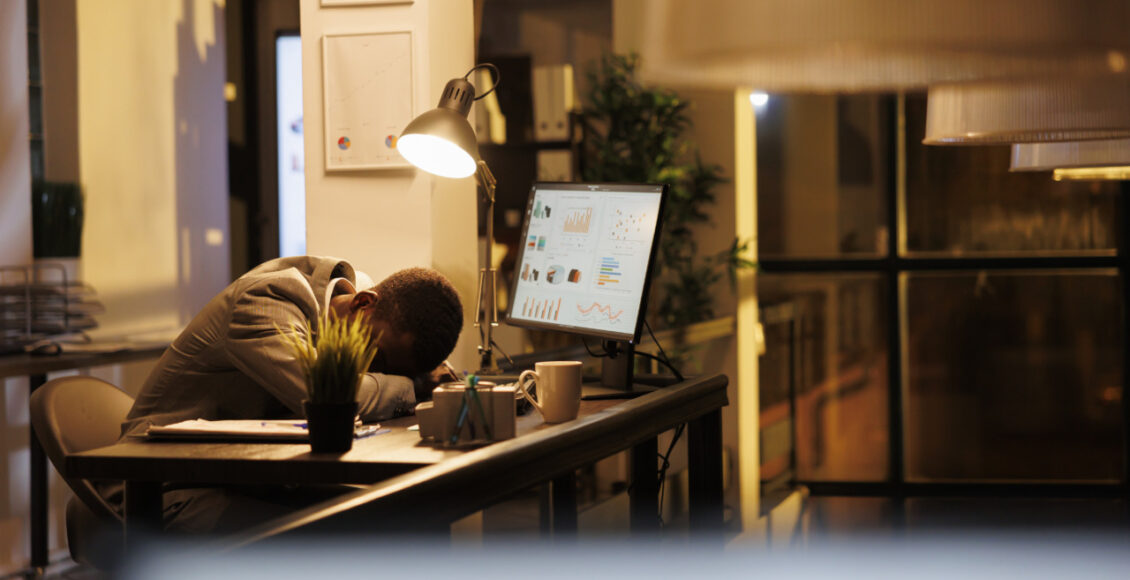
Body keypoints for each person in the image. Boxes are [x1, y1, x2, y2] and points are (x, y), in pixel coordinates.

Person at [108, 256, 464, 534]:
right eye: (380, 357)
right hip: (162, 492)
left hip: (245, 480)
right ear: (363, 304)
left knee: (400, 515)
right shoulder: (264, 302)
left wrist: (423, 374)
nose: (377, 368)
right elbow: (330, 396)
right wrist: (414, 387)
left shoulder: (361, 306)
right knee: (350, 538)